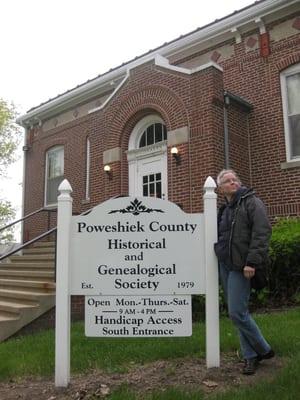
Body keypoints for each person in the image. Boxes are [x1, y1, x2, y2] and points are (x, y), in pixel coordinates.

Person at [214, 169, 275, 375]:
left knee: (236, 312)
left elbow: (262, 231)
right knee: (238, 313)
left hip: (243, 266)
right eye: (227, 181)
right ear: (220, 188)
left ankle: (263, 349)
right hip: (226, 265)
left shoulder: (251, 202)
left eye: (235, 179)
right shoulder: (224, 210)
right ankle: (250, 357)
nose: (233, 183)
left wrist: (252, 262)